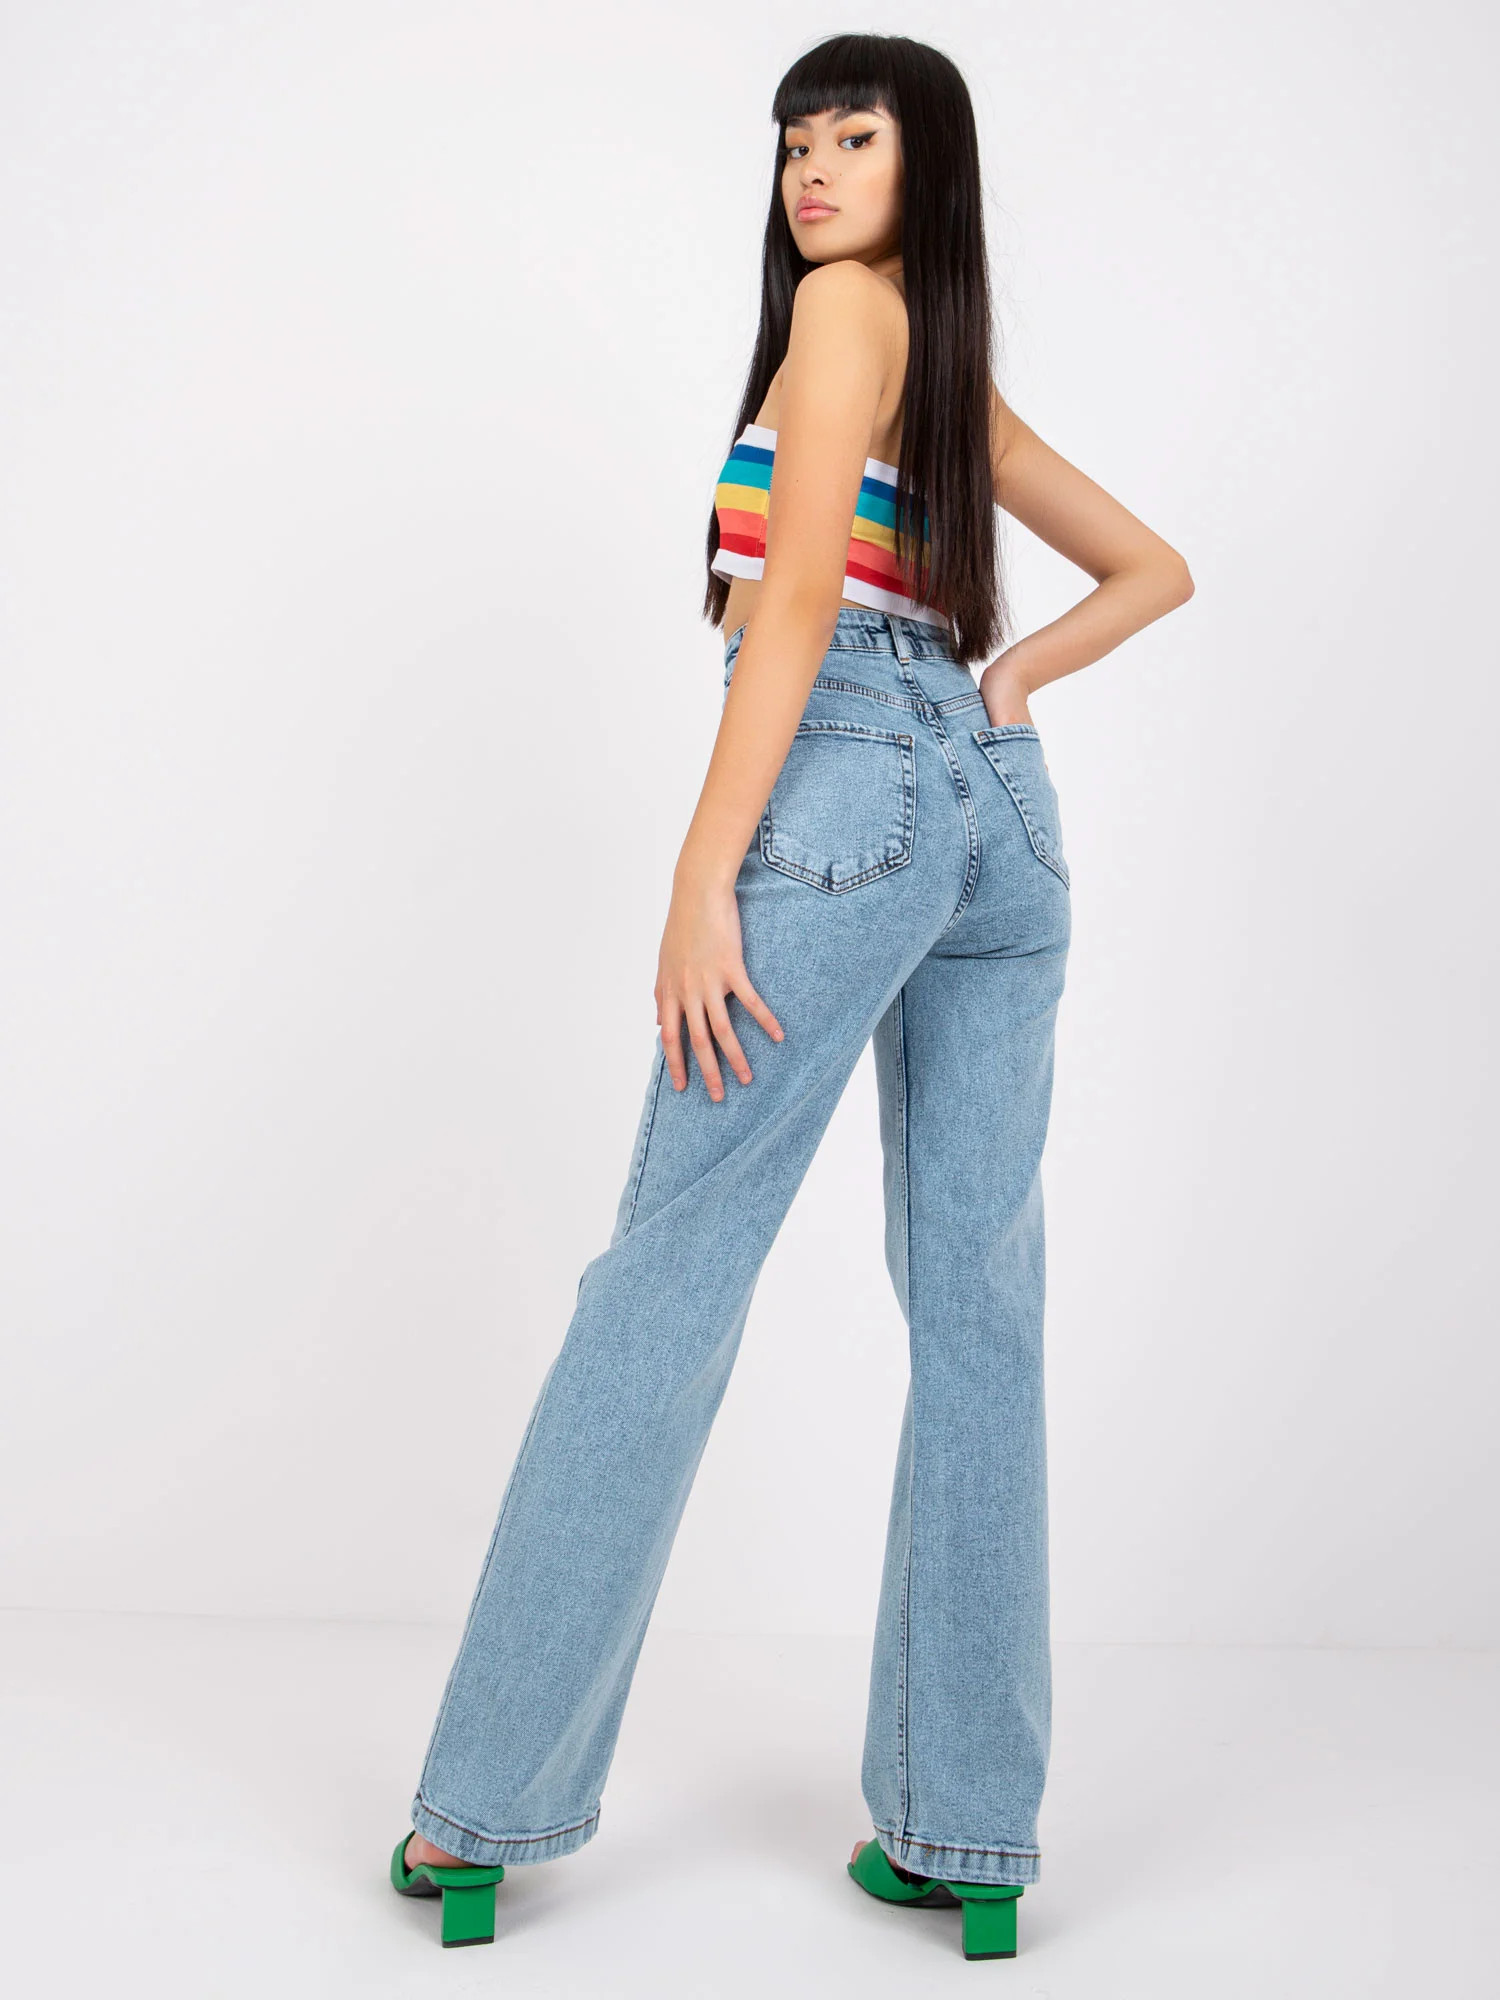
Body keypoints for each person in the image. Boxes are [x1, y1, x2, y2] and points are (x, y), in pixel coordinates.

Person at [389, 32, 1193, 1958]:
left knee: (664, 1279)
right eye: (793, 143)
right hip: (999, 818)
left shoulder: (845, 313)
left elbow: (808, 603)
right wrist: (1005, 688)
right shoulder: (948, 358)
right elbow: (1153, 571)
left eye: (854, 137)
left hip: (840, 794)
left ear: (929, 166)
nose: (812, 171)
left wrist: (703, 872)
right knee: (981, 1307)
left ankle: (480, 1815)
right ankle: (967, 1841)